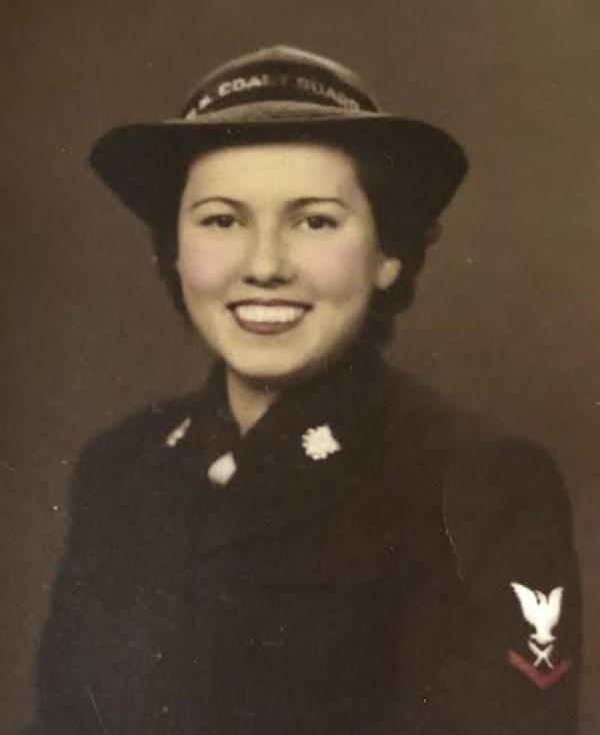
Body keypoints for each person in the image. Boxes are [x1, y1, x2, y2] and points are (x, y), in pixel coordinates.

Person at [34, 45, 581, 734]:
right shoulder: (120, 465)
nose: (264, 266)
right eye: (221, 220)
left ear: (388, 253)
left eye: (314, 220)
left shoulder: (480, 481)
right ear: (173, 250)